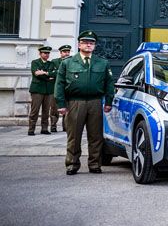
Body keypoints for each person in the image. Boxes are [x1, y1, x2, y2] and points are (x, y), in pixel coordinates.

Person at [55, 31, 114, 175]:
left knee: (96, 136)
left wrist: (108, 101)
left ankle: (94, 164)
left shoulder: (102, 63)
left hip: (95, 103)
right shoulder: (68, 63)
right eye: (85, 42)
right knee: (74, 136)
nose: (88, 45)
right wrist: (61, 104)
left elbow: (109, 84)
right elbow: (59, 84)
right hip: (75, 103)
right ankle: (72, 164)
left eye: (91, 42)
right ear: (79, 44)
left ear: (94, 45)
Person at [28, 46, 56, 136]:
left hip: (48, 90)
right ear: (40, 54)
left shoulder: (51, 64)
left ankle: (44, 128)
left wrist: (44, 72)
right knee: (34, 110)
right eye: (45, 53)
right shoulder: (35, 62)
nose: (47, 55)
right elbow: (36, 74)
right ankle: (31, 129)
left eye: (48, 53)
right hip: (37, 90)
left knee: (46, 111)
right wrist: (48, 76)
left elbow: (55, 74)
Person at [48, 45, 72, 132]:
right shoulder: (54, 62)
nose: (67, 53)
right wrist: (60, 72)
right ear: (61, 53)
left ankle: (65, 127)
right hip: (56, 88)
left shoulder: (71, 61)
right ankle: (53, 126)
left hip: (67, 89)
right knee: (54, 109)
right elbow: (50, 73)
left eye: (68, 52)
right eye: (65, 52)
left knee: (66, 108)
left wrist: (57, 72)